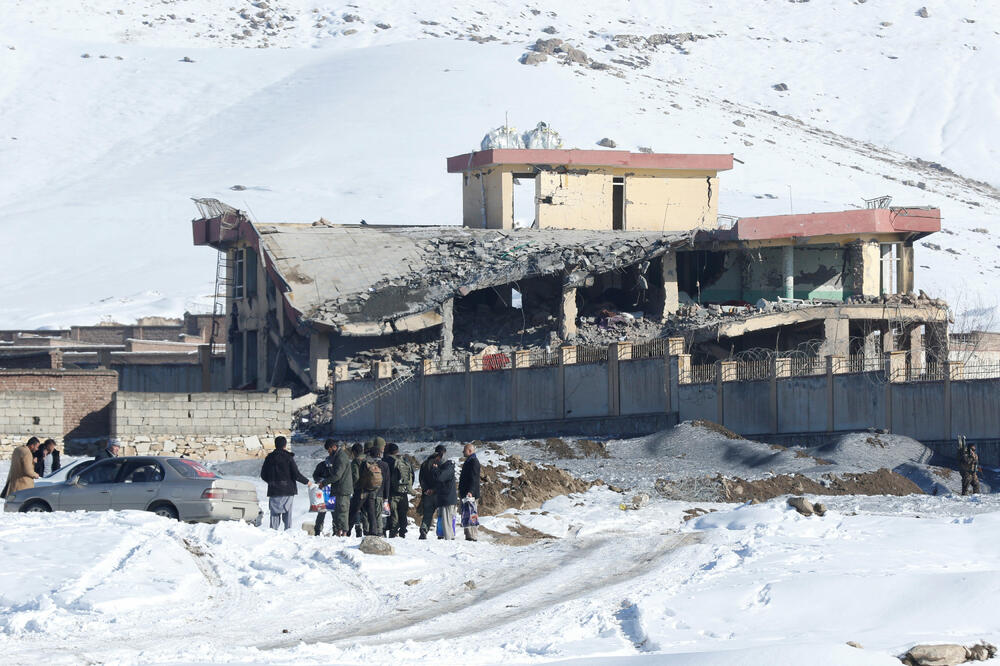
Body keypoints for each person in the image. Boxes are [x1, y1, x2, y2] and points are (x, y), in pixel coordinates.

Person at [259, 436, 309, 530]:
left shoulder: (269, 458)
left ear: (275, 445)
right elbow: (296, 474)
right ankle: (288, 532)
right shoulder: (288, 458)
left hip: (273, 490)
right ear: (285, 445)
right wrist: (307, 482)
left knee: (274, 514)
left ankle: (273, 532)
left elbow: (263, 475)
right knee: (287, 514)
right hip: (288, 490)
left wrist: (272, 482)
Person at [359, 438, 390, 536]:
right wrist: (386, 497)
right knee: (378, 515)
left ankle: (368, 531)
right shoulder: (384, 465)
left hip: (367, 493)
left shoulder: (365, 464)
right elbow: (387, 482)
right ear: (379, 454)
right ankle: (380, 532)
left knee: (367, 513)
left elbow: (360, 478)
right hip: (380, 494)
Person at [384, 443, 415, 538]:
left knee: (393, 514)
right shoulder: (405, 461)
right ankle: (403, 533)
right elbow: (412, 476)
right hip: (404, 492)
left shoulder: (386, 461)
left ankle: (393, 533)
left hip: (392, 493)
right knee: (403, 514)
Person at [418, 445, 446, 540]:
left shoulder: (424, 464)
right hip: (438, 494)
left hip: (427, 494)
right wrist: (434, 489)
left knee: (427, 514)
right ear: (442, 453)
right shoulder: (441, 464)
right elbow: (441, 479)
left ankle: (423, 529)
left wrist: (426, 489)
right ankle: (441, 534)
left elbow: (421, 479)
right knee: (441, 514)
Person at [311, 441, 337, 536]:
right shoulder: (322, 465)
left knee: (333, 512)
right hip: (324, 493)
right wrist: (321, 480)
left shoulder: (336, 466)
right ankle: (318, 530)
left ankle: (335, 530)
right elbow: (315, 476)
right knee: (322, 512)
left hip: (332, 492)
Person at [458, 442, 481, 541]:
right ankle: (468, 535)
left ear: (470, 451)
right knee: (466, 514)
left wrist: (470, 491)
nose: (463, 452)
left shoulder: (474, 462)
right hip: (466, 493)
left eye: (464, 450)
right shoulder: (469, 461)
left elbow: (474, 478)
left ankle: (473, 536)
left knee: (472, 514)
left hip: (470, 494)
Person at [434, 451, 458, 540]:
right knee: (446, 523)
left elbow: (440, 478)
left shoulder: (448, 468)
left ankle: (449, 541)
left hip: (448, 499)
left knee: (447, 523)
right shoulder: (444, 467)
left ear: (441, 458)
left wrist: (435, 470)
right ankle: (450, 539)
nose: (435, 460)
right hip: (445, 499)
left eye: (437, 458)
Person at [348, 443, 367, 537]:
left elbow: (355, 476)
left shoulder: (356, 461)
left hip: (359, 490)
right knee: (367, 512)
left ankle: (351, 531)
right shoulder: (368, 458)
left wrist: (353, 486)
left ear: (354, 452)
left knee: (354, 510)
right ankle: (368, 531)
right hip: (370, 490)